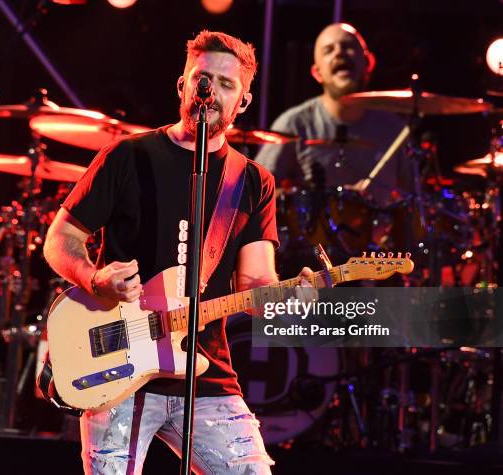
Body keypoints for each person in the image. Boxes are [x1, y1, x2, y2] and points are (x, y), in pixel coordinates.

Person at [44, 30, 312, 475]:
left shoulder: (252, 182)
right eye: (202, 78)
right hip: (120, 370)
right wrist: (95, 279)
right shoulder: (127, 156)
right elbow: (61, 238)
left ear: (243, 101)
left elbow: (255, 283)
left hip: (206, 375)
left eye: (227, 85)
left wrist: (287, 300)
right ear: (182, 84)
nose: (211, 91)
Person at [255, 23, 408, 206]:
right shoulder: (294, 124)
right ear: (317, 73)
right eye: (329, 50)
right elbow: (256, 192)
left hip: (379, 234)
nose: (339, 53)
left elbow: (413, 201)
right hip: (313, 233)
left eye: (348, 47)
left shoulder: (394, 129)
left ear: (369, 63)